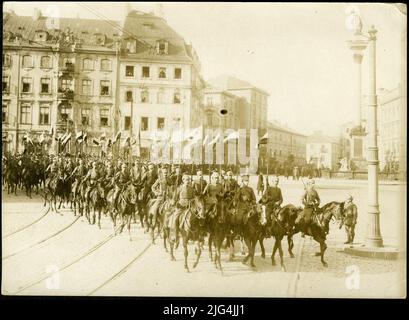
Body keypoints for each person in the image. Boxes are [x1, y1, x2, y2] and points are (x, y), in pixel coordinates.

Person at [172, 174, 196, 244]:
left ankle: (193, 234)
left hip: (189, 207)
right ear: (183, 180)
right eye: (186, 180)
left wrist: (192, 200)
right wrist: (174, 202)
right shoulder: (179, 188)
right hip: (181, 206)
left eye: (189, 180)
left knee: (195, 218)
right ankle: (175, 235)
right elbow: (174, 198)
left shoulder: (191, 188)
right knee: (175, 219)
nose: (188, 181)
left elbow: (194, 197)